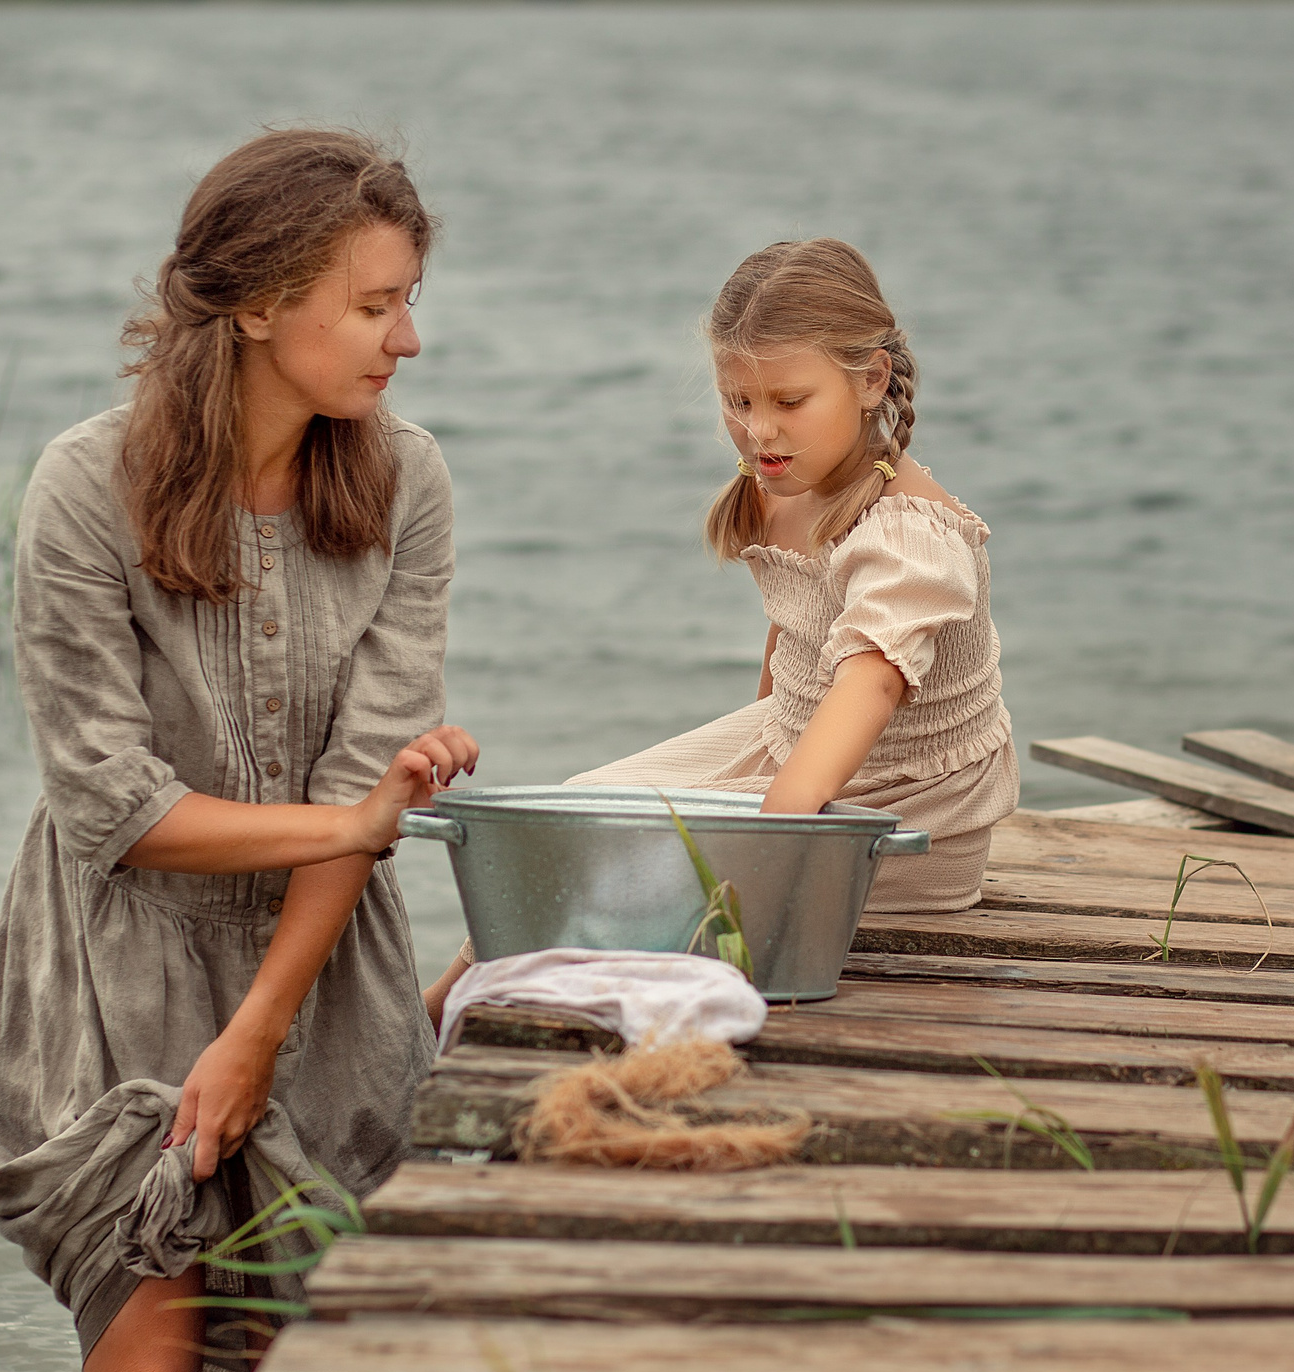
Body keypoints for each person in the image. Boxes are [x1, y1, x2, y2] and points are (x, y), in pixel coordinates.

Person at [0, 129, 477, 1372]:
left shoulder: (406, 486)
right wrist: (357, 824)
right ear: (258, 305)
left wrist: (261, 1026)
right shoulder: (83, 487)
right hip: (111, 985)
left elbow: (355, 782)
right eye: (374, 304)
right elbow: (113, 807)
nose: (409, 337)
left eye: (409, 297)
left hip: (319, 990)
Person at [420, 239, 1013, 1018]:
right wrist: (742, 772)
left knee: (612, 870)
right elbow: (792, 640)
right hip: (797, 747)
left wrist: (756, 861)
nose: (759, 431)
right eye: (739, 401)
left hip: (901, 810)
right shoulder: (791, 482)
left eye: (788, 402)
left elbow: (866, 683)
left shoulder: (908, 539)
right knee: (578, 810)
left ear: (871, 381)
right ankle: (437, 1015)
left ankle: (442, 1023)